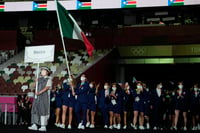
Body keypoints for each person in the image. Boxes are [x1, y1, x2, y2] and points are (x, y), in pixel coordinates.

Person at [28, 66, 52, 132]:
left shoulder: (48, 79)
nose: (42, 71)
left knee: (43, 110)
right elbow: (33, 86)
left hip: (44, 97)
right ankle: (34, 124)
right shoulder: (39, 79)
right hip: (37, 97)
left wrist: (40, 92)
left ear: (47, 72)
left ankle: (43, 126)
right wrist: (35, 82)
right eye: (42, 70)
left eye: (44, 70)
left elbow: (47, 87)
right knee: (35, 109)